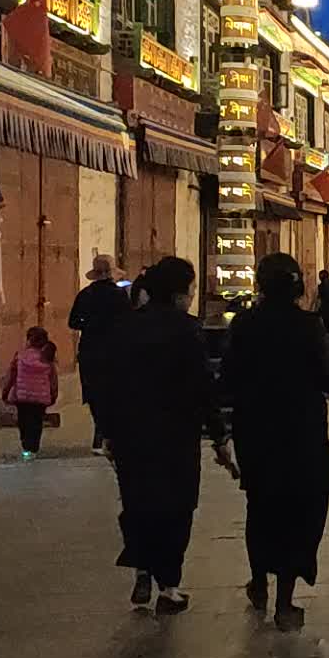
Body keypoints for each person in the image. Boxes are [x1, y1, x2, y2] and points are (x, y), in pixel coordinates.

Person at [99, 257, 231, 614]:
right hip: (176, 434)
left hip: (131, 432)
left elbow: (108, 382)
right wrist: (220, 437)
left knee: (138, 501)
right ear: (178, 294)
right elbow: (203, 386)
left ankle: (142, 566)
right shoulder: (187, 330)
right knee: (177, 507)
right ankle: (168, 585)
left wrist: (108, 432)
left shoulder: (124, 327)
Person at [223, 254, 329, 632]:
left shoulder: (244, 324)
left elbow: (227, 378)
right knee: (301, 511)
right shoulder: (309, 326)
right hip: (300, 430)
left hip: (255, 430)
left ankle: (259, 581)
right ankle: (285, 603)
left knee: (261, 506)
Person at [69, 253, 131, 455]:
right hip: (115, 350)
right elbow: (128, 320)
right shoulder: (120, 296)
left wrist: (90, 324)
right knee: (112, 393)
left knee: (94, 394)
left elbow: (73, 322)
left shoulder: (85, 295)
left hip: (90, 350)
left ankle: (100, 433)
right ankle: (105, 435)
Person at [3, 326, 60, 459]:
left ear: (28, 340)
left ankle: (26, 446)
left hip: (22, 398)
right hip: (40, 399)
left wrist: (5, 392)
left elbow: (11, 376)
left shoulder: (20, 356)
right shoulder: (47, 358)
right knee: (36, 422)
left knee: (23, 421)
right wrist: (53, 395)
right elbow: (53, 379)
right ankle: (33, 447)